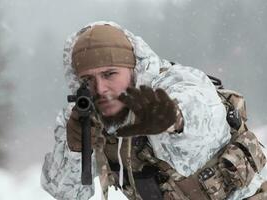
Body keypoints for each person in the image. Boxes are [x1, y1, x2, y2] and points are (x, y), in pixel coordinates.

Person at [41, 21, 267, 200]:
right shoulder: (81, 116)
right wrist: (75, 150)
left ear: (132, 69)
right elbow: (67, 194)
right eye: (88, 79)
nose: (100, 89)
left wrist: (175, 121)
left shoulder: (176, 85)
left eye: (110, 74)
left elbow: (201, 115)